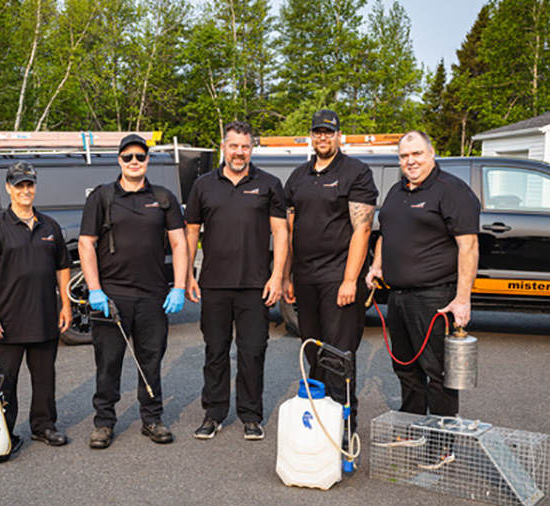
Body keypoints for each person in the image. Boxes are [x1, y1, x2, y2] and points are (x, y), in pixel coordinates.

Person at [78, 134, 189, 449]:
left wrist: (178, 286)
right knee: (108, 362)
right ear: (119, 160)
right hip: (112, 296)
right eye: (128, 157)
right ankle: (103, 423)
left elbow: (180, 243)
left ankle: (152, 419)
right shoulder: (101, 197)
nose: (134, 162)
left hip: (154, 295)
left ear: (147, 160)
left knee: (151, 360)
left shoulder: (163, 197)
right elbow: (86, 243)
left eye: (140, 156)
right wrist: (95, 290)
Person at [184, 121, 289, 441]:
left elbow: (281, 232)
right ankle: (213, 414)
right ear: (223, 147)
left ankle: (250, 415)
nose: (239, 152)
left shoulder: (269, 184)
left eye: (245, 146)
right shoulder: (203, 185)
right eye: (234, 146)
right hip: (214, 284)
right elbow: (191, 233)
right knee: (215, 350)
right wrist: (187, 274)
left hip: (256, 284)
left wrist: (278, 276)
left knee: (253, 351)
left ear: (251, 149)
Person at [365, 130, 480, 421]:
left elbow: (469, 245)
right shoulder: (397, 191)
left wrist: (463, 299)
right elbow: (385, 233)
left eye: (416, 154)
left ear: (431, 153)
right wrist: (377, 265)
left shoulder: (452, 190)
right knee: (405, 366)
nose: (410, 161)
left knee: (437, 371)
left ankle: (442, 441)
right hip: (398, 296)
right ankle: (413, 424)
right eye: (404, 156)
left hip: (434, 296)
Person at [282, 109, 378, 441]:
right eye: (318, 132)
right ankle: (319, 421)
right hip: (305, 278)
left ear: (339, 136)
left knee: (339, 352)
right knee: (313, 349)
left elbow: (362, 229)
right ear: (312, 135)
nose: (323, 138)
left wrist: (350, 280)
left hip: (338, 278)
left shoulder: (356, 172)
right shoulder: (298, 176)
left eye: (329, 132)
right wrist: (289, 275)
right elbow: (292, 228)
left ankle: (344, 425)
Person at [0, 160, 73, 453]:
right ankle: (3, 432)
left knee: (44, 379)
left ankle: (44, 426)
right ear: (9, 189)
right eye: (20, 186)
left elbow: (63, 267)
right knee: (5, 383)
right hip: (7, 322)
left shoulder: (50, 226)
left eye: (30, 185)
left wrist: (65, 305)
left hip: (44, 319)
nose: (26, 190)